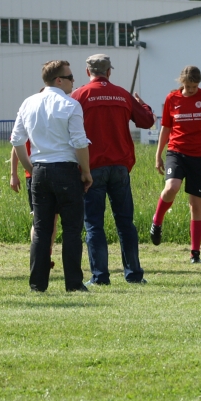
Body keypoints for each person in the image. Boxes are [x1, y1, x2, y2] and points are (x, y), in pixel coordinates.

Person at [72, 54, 156, 285]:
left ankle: (100, 276)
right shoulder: (122, 95)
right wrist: (142, 103)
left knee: (94, 225)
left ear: (88, 72)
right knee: (125, 223)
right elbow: (147, 121)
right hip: (120, 166)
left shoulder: (79, 95)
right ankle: (134, 274)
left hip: (91, 168)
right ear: (109, 72)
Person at [10, 60, 93, 292]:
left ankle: (37, 283)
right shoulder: (71, 105)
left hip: (40, 171)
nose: (73, 81)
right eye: (70, 77)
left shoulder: (28, 102)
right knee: (72, 230)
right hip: (66, 170)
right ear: (59, 80)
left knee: (42, 230)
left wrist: (31, 166)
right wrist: (85, 172)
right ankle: (74, 284)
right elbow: (79, 142)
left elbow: (16, 140)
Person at [150, 66, 201, 264]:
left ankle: (195, 252)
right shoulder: (172, 99)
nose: (192, 89)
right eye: (188, 85)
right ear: (181, 83)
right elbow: (166, 128)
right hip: (176, 152)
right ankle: (157, 221)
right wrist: (158, 154)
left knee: (196, 205)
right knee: (171, 187)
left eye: (195, 86)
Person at [10, 138, 57, 269]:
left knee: (53, 218)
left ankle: (46, 253)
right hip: (33, 174)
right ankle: (39, 256)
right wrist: (13, 174)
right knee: (39, 219)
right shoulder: (28, 118)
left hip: (52, 172)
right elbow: (16, 147)